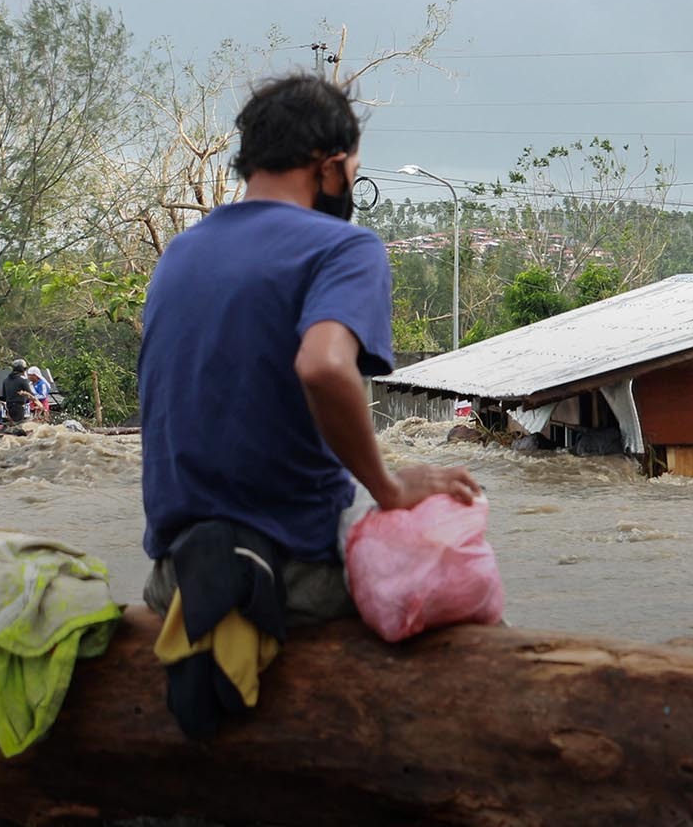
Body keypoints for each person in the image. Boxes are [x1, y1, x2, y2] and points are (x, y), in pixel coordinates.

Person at [139, 72, 479, 626]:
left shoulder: (180, 254)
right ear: (329, 165)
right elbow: (323, 367)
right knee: (456, 592)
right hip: (289, 577)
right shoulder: (344, 248)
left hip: (175, 580)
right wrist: (389, 488)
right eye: (354, 171)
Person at [0, 359, 34, 424]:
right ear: (22, 369)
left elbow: (4, 396)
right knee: (19, 425)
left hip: (9, 407)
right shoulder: (23, 379)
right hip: (19, 407)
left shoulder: (5, 380)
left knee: (11, 424)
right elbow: (30, 394)